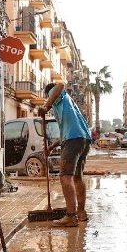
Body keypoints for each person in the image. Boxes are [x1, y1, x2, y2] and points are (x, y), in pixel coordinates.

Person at [38, 82, 92, 227]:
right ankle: (81, 212)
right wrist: (51, 147)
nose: (48, 100)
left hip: (74, 139)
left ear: (49, 94)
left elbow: (61, 84)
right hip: (83, 139)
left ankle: (71, 216)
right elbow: (65, 133)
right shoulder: (67, 105)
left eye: (47, 97)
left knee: (65, 177)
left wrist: (46, 106)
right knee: (77, 177)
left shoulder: (59, 95)